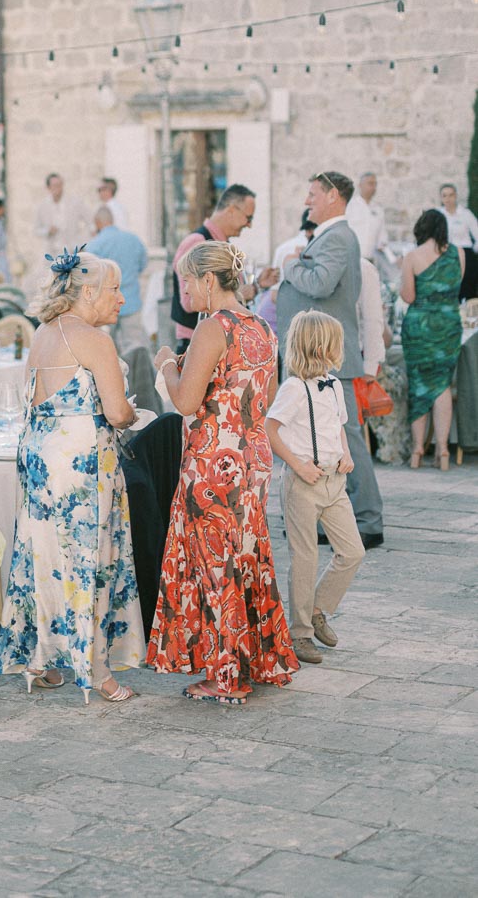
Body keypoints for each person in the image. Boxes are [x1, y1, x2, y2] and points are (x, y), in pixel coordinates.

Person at [0, 248, 145, 703]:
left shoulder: (43, 332)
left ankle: (40, 659)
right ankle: (98, 671)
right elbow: (117, 413)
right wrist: (135, 411)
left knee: (43, 555)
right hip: (81, 466)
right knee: (88, 560)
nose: (121, 299)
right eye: (115, 290)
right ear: (89, 292)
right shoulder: (94, 340)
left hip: (42, 457)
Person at [150, 241, 298, 704]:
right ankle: (253, 660)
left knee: (214, 565)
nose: (186, 290)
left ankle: (225, 676)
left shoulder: (213, 329)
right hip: (252, 460)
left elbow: (186, 402)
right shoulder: (262, 329)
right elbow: (264, 399)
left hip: (215, 462)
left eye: (188, 281)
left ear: (209, 281)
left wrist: (166, 366)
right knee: (244, 559)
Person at [264, 170, 385, 549]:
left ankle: (368, 519)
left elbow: (320, 284)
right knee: (314, 436)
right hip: (316, 357)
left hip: (329, 357)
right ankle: (321, 519)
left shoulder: (338, 237)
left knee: (346, 435)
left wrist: (290, 265)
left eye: (313, 193)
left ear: (333, 195)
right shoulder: (331, 236)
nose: (307, 200)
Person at [265, 312, 365, 666]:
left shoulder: (334, 385)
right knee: (305, 558)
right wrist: (297, 465)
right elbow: (270, 429)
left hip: (334, 481)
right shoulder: (293, 388)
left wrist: (347, 455)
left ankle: (318, 608)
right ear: (321, 346)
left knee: (352, 551)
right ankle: (300, 633)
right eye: (336, 342)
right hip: (302, 483)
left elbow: (338, 426)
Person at [401, 208, 465, 471]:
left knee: (419, 385)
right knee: (442, 386)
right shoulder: (459, 254)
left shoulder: (412, 257)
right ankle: (443, 451)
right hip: (449, 326)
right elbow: (455, 288)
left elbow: (408, 297)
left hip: (419, 327)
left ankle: (417, 451)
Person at [171, 183, 257, 352]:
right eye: (249, 218)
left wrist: (258, 285)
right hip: (200, 345)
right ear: (232, 210)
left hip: (217, 341)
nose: (249, 225)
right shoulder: (197, 243)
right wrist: (239, 296)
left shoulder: (221, 244)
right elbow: (189, 302)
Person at [85, 206, 148, 352]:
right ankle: (135, 375)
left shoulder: (95, 244)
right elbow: (143, 264)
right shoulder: (133, 239)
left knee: (105, 348)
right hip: (131, 300)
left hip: (104, 304)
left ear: (97, 223)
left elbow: (89, 275)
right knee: (134, 347)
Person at [33, 173, 87, 260]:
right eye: (55, 185)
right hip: (52, 252)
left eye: (60, 185)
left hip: (72, 251)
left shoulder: (75, 202)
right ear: (48, 187)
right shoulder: (42, 206)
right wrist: (48, 231)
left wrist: (81, 243)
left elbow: (89, 222)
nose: (58, 188)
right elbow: (36, 229)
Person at [439, 183, 478, 300]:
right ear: (441, 198)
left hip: (466, 254)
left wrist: (472, 253)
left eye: (451, 195)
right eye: (444, 196)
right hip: (446, 255)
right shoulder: (438, 214)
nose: (448, 199)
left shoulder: (466, 214)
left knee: (467, 290)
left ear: (455, 196)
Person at [346, 172, 391, 264]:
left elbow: (382, 238)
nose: (373, 188)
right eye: (370, 184)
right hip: (351, 259)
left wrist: (392, 258)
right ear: (360, 185)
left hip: (369, 260)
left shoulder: (378, 209)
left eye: (375, 184)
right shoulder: (350, 206)